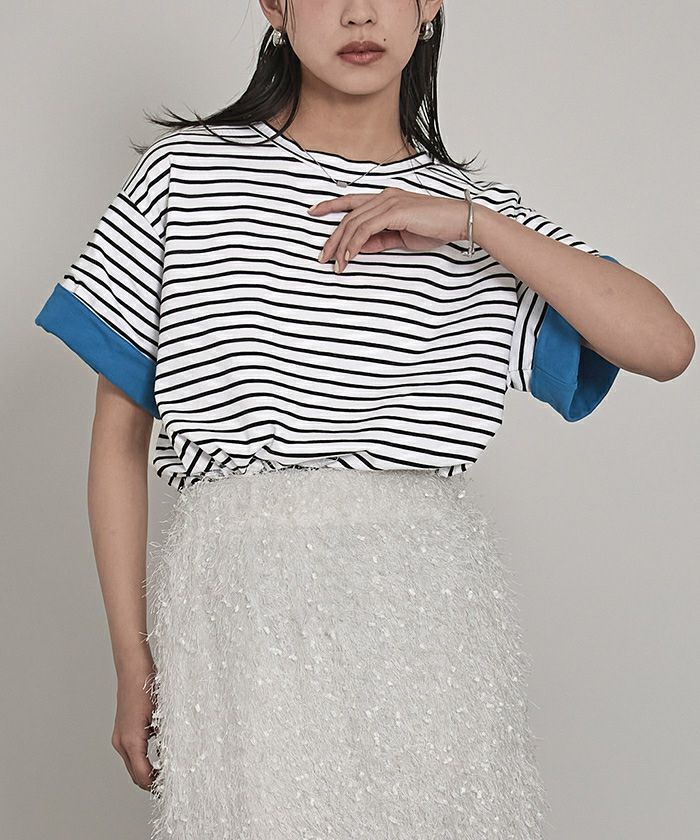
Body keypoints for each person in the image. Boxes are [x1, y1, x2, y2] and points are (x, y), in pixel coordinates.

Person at [33, 2, 694, 839]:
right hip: (239, 606)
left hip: (429, 617)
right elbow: (118, 439)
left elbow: (665, 345)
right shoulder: (189, 177)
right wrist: (133, 660)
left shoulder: (473, 218)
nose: (359, 13)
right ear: (274, 5)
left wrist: (471, 223)